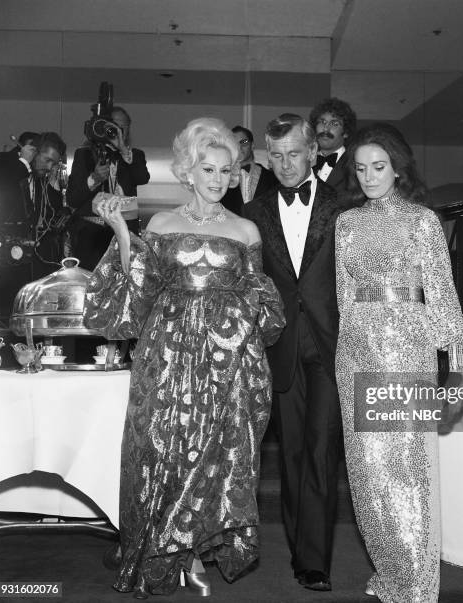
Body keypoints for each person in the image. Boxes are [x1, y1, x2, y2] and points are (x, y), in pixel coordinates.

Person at [83, 117, 285, 599]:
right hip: (168, 355)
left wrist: (242, 333)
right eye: (208, 169)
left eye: (226, 171)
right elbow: (139, 291)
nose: (217, 180)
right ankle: (166, 549)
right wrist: (120, 231)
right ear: (188, 172)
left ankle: (192, 546)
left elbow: (265, 303)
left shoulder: (246, 230)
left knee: (217, 452)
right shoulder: (161, 224)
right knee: (163, 449)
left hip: (228, 360)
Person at [334, 122, 463, 601]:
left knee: (406, 465)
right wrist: (341, 356)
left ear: (397, 169)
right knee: (367, 468)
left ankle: (415, 583)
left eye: (379, 167)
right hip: (356, 348)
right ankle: (390, 571)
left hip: (409, 346)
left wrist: (456, 361)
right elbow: (343, 297)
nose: (370, 177)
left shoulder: (421, 221)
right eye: (361, 168)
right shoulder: (345, 224)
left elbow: (442, 292)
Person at [245, 113, 354, 592]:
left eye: (295, 153)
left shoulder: (346, 205)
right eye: (278, 155)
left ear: (313, 153)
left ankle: (315, 561)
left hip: (332, 343)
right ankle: (298, 548)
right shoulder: (254, 212)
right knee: (289, 453)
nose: (286, 165)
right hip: (280, 345)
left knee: (322, 450)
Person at [0, 131, 67, 317]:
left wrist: (54, 186)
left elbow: (50, 216)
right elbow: (1, 184)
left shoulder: (40, 178)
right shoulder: (4, 162)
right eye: (47, 160)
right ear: (34, 152)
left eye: (54, 163)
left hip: (29, 265)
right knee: (2, 315)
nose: (49, 167)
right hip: (2, 258)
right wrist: (23, 163)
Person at [67, 105, 150, 271]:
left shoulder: (135, 155)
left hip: (125, 233)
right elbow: (73, 198)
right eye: (114, 127)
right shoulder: (84, 155)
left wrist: (123, 151)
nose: (118, 131)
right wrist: (94, 178)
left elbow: (142, 177)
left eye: (123, 127)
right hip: (91, 236)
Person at [220, 125, 277, 215]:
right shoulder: (221, 180)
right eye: (234, 144)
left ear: (252, 145)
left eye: (244, 142)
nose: (239, 147)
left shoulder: (274, 178)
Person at [309, 97, 357, 195]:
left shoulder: (355, 165)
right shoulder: (305, 162)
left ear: (346, 132)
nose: (326, 128)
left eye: (334, 124)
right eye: (322, 122)